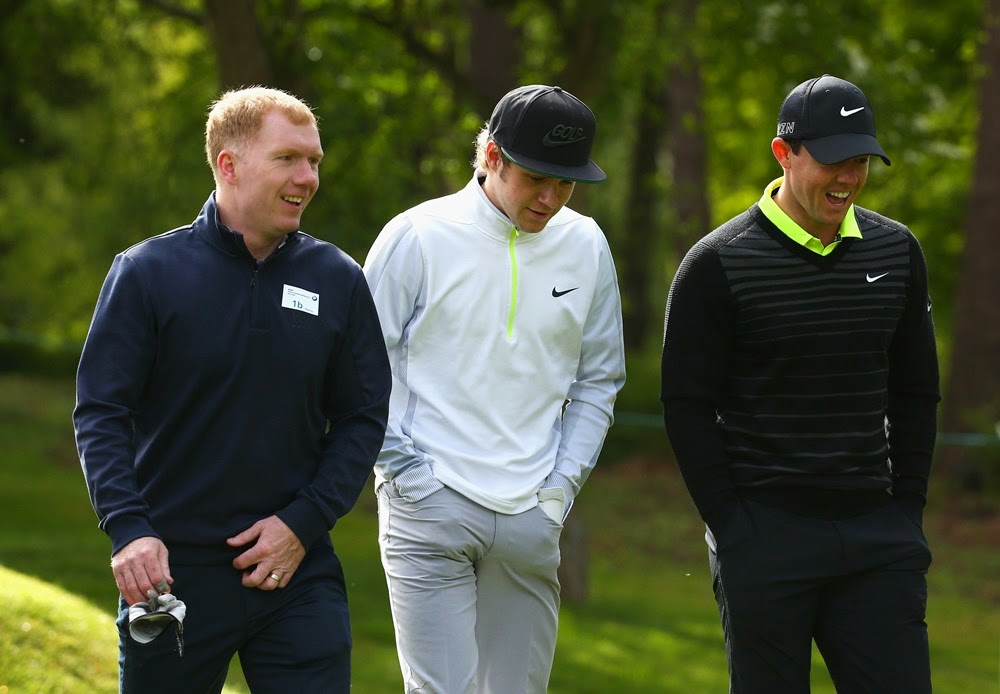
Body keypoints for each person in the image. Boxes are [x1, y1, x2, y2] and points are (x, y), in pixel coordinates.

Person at [73, 86, 391, 693]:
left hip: (297, 568)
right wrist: (128, 529)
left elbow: (363, 415)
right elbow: (101, 411)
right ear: (229, 164)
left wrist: (304, 522)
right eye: (288, 159)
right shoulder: (146, 273)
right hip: (172, 572)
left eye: (314, 161)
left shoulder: (338, 279)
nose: (307, 177)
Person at [661, 74, 940, 693]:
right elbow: (686, 407)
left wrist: (908, 510)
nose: (849, 177)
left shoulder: (897, 252)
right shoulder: (717, 263)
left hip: (877, 536)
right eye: (833, 160)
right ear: (783, 153)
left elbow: (917, 394)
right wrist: (732, 528)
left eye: (860, 161)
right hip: (765, 536)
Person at [363, 84, 626, 693]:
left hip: (531, 514)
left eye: (565, 183)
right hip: (429, 503)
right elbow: (356, 371)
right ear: (491, 156)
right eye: (536, 178)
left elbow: (598, 380)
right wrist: (406, 475)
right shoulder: (416, 235)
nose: (550, 198)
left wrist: (558, 493)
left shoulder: (586, 244)